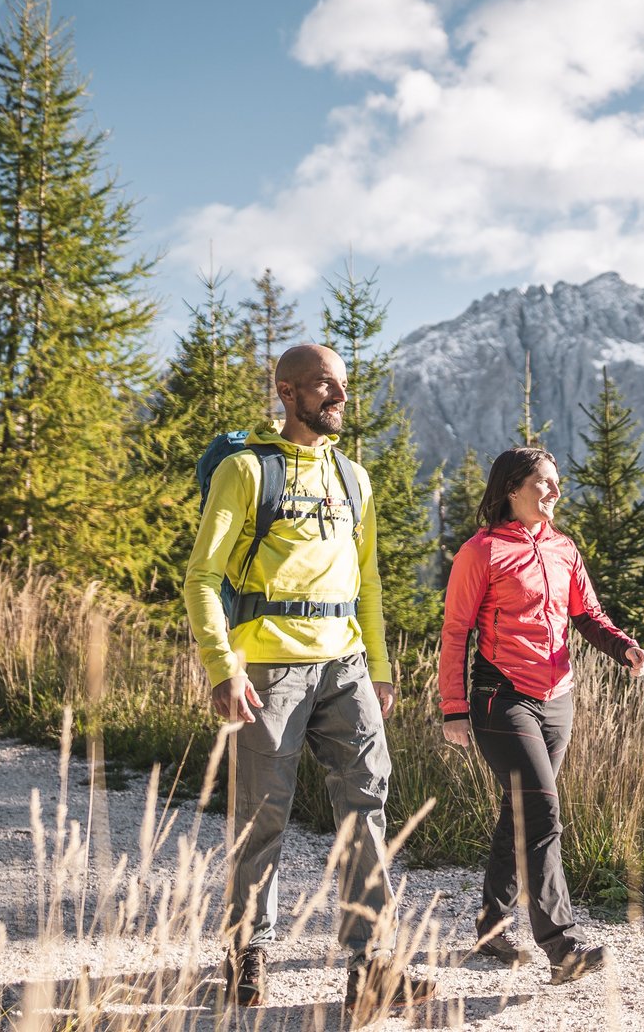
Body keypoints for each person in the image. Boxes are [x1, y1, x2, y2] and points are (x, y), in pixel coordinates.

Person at [184, 343, 435, 1016]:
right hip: (266, 668)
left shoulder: (354, 479)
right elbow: (203, 577)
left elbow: (369, 582)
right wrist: (222, 665)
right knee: (260, 817)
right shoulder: (246, 471)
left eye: (344, 386)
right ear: (288, 391)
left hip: (347, 666)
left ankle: (371, 967)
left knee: (367, 807)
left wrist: (378, 669)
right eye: (327, 385)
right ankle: (247, 954)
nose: (341, 397)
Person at [439, 445, 644, 984]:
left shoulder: (562, 548)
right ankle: (562, 945)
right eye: (544, 482)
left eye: (557, 483)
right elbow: (457, 632)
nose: (555, 491)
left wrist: (623, 646)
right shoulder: (482, 551)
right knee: (542, 814)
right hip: (500, 699)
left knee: (522, 812)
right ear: (512, 489)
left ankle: (490, 927)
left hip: (558, 700)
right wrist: (454, 708)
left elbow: (587, 614)